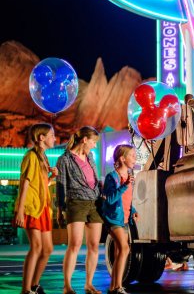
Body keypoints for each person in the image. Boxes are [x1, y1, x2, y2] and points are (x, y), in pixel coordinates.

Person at [56, 126, 102, 294]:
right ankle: (67, 286)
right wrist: (59, 209)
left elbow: (94, 179)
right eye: (93, 142)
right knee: (74, 244)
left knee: (94, 245)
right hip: (76, 202)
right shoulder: (65, 159)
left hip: (94, 203)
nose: (94, 145)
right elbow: (61, 186)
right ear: (84, 140)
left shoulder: (90, 156)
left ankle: (88, 285)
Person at [13, 123, 57, 294]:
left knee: (48, 249)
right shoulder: (31, 156)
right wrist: (20, 211)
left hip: (43, 206)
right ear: (41, 138)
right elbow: (25, 184)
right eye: (52, 135)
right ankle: (26, 289)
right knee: (37, 247)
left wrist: (52, 177)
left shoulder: (43, 157)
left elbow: (41, 185)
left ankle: (34, 285)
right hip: (32, 207)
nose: (54, 138)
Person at [103, 144, 139, 294]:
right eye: (132, 155)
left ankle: (114, 287)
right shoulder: (113, 177)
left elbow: (127, 199)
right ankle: (117, 287)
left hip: (124, 219)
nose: (135, 158)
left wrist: (134, 211)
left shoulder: (129, 177)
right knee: (125, 249)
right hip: (113, 219)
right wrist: (124, 186)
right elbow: (110, 199)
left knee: (120, 252)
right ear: (122, 158)